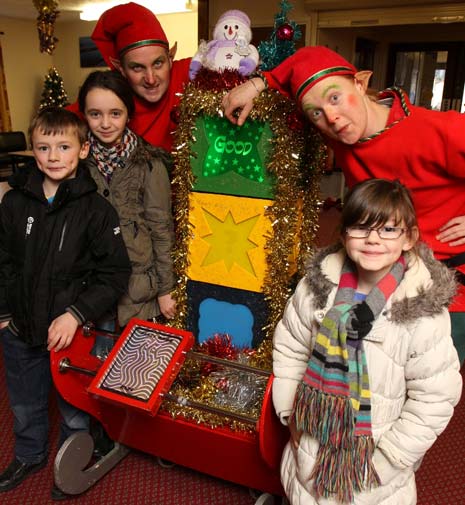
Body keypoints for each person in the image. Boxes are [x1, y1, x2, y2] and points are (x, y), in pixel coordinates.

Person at [222, 46, 465, 363]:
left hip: (447, 274)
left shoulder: (439, 129)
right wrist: (258, 83)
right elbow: (303, 62)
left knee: (426, 366)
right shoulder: (337, 131)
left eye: (336, 98)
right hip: (381, 262)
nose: (331, 117)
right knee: (340, 349)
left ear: (361, 83)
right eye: (316, 112)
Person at [272, 178, 462, 505]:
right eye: (360, 228)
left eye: (388, 229)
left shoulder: (422, 311)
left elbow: (434, 399)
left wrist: (388, 460)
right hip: (310, 450)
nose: (373, 239)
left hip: (375, 473)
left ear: (409, 238)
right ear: (344, 234)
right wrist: (291, 415)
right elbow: (290, 347)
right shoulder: (316, 288)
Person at [0, 107, 131, 500]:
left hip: (68, 332)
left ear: (84, 149)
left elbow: (115, 273)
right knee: (24, 401)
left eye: (63, 146)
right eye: (44, 147)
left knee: (73, 406)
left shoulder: (96, 211)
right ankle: (29, 453)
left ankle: (71, 459)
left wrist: (75, 315)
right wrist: (5, 315)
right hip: (19, 327)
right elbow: (2, 259)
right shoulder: (13, 203)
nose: (54, 156)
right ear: (34, 152)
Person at [77, 70, 177, 326]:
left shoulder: (150, 163)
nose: (105, 123)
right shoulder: (76, 164)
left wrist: (166, 289)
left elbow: (161, 228)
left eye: (115, 113)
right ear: (85, 115)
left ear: (128, 115)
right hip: (92, 291)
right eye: (95, 114)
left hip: (139, 292)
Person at [69, 2, 191, 153]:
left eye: (158, 63)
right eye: (137, 67)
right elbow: (53, 123)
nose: (151, 79)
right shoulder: (109, 95)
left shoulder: (190, 71)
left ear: (170, 58)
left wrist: (231, 91)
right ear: (121, 69)